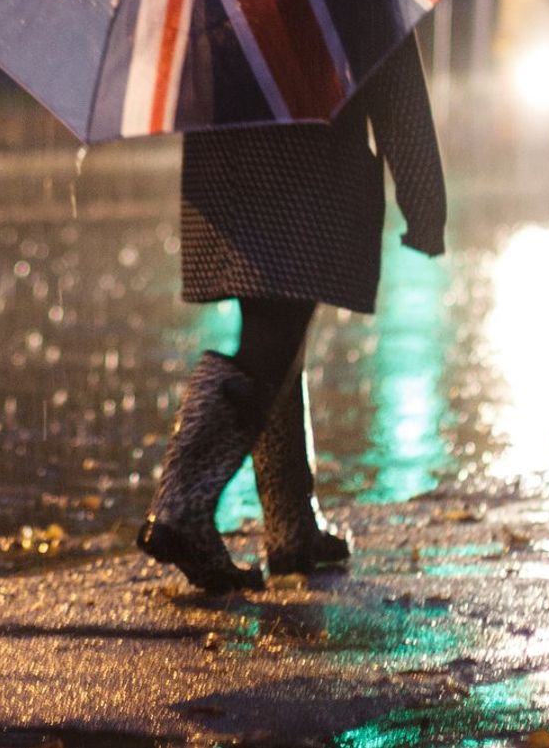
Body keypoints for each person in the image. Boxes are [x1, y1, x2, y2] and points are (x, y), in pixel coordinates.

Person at [136, 35, 447, 593]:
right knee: (272, 337)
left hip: (226, 159)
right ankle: (183, 503)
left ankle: (291, 524)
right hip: (309, 161)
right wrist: (424, 202)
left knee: (275, 330)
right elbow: (394, 76)